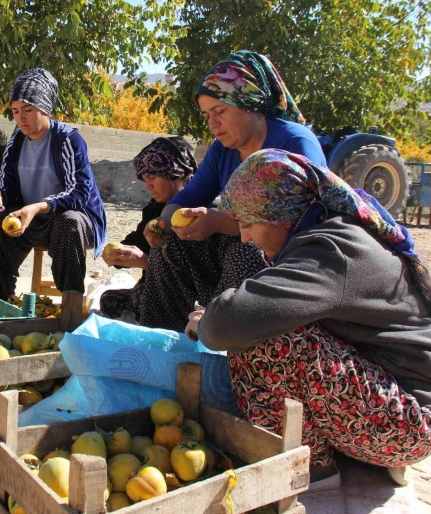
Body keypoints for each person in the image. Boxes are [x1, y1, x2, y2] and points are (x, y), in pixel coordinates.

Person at [186, 149, 431, 491]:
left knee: (264, 337)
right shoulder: (327, 235)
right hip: (393, 408)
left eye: (249, 223)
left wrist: (206, 319)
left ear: (282, 215)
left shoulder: (332, 250)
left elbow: (230, 323)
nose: (245, 236)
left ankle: (310, 466)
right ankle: (333, 451)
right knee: (266, 323)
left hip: (410, 426)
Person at [139, 50, 326, 331]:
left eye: (220, 112)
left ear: (250, 104)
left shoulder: (295, 144)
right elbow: (189, 197)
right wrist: (163, 223)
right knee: (172, 246)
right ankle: (166, 338)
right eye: (207, 115)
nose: (213, 124)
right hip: (240, 243)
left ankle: (223, 341)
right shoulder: (223, 150)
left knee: (247, 253)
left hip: (292, 261)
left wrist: (222, 224)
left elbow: (294, 225)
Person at [0, 68, 107, 299]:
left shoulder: (68, 140)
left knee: (69, 222)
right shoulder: (16, 141)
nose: (21, 118)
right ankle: (1, 294)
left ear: (45, 109)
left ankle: (70, 300)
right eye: (16, 111)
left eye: (28, 110)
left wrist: (39, 206)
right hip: (33, 222)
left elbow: (79, 194)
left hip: (73, 222)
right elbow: (7, 188)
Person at [100, 137, 197, 321]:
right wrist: (118, 255)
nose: (148, 186)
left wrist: (145, 262)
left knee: (145, 299)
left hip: (186, 297)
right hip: (153, 288)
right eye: (145, 179)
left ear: (173, 172)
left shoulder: (198, 212)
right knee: (108, 300)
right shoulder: (155, 208)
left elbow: (192, 276)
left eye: (152, 177)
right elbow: (137, 242)